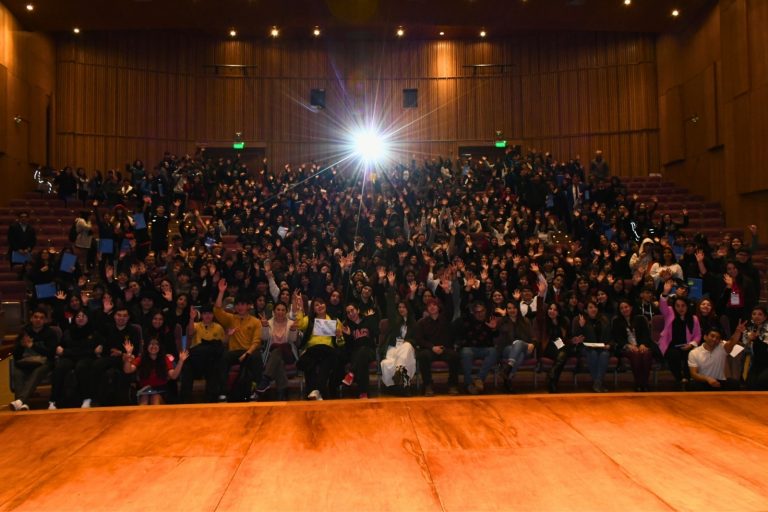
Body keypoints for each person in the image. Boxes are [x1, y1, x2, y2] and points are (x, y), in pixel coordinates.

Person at [213, 279, 263, 401]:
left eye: (243, 304)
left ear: (249, 306)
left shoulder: (255, 321)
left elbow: (256, 341)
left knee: (256, 357)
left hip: (248, 352)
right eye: (238, 304)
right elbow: (217, 311)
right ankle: (223, 392)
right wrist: (221, 292)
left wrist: (247, 353)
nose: (240, 307)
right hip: (234, 352)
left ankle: (255, 390)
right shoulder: (231, 319)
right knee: (222, 358)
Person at [295, 295, 344, 400]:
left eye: (321, 303)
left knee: (319, 359)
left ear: (326, 305)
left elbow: (341, 343)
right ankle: (320, 390)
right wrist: (300, 310)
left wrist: (339, 336)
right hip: (314, 349)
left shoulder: (335, 320)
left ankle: (313, 390)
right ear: (313, 309)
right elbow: (298, 325)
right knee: (321, 360)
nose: (320, 306)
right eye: (316, 305)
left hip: (328, 350)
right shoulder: (309, 320)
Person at [49, 310, 100, 409]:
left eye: (83, 316)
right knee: (59, 367)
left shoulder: (93, 332)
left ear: (88, 318)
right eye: (78, 316)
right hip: (69, 358)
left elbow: (91, 351)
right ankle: (53, 400)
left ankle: (87, 399)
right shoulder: (68, 332)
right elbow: (61, 347)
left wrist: (66, 352)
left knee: (81, 367)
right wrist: (60, 348)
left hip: (86, 358)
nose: (80, 318)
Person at [9, 308, 57, 411]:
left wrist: (32, 346)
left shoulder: (50, 333)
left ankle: (20, 400)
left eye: (41, 318)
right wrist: (22, 346)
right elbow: (16, 355)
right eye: (35, 317)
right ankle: (24, 404)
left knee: (37, 372)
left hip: (44, 363)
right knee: (17, 372)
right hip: (26, 362)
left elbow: (51, 353)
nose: (38, 320)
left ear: (45, 321)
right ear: (31, 319)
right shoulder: (24, 332)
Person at [658, 280, 701, 387]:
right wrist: (665, 293)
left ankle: (688, 377)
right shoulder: (669, 312)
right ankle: (680, 378)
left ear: (687, 306)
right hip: (670, 345)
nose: (680, 308)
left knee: (691, 354)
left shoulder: (694, 318)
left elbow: (697, 335)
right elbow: (662, 306)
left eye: (683, 306)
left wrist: (691, 344)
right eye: (678, 306)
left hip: (686, 345)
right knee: (674, 355)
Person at [414, 298, 460, 397]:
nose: (432, 307)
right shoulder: (421, 323)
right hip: (430, 350)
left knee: (455, 356)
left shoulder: (446, 319)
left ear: (439, 307)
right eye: (429, 305)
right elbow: (419, 340)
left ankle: (452, 385)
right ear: (426, 309)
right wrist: (432, 347)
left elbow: (450, 308)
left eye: (434, 305)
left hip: (444, 349)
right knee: (423, 355)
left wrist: (448, 294)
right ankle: (428, 385)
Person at [254, 302, 298, 401]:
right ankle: (282, 393)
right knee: (278, 358)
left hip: (288, 354)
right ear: (274, 311)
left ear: (286, 312)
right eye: (278, 309)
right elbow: (264, 338)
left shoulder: (291, 323)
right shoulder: (268, 323)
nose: (280, 312)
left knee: (278, 348)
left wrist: (293, 330)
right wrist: (264, 327)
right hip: (274, 356)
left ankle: (265, 379)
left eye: (283, 310)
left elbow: (293, 340)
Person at [181, 304, 225, 402]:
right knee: (187, 365)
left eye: (209, 313)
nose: (207, 316)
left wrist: (229, 336)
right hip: (196, 360)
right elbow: (190, 333)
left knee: (215, 361)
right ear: (202, 315)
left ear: (213, 315)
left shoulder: (218, 327)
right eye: (205, 314)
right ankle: (184, 400)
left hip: (210, 360)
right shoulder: (196, 325)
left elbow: (222, 344)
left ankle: (211, 400)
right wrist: (192, 318)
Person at [123, 338, 188, 405]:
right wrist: (128, 355)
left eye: (156, 344)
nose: (153, 346)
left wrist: (181, 361)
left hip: (161, 391)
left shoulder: (165, 359)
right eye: (151, 344)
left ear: (160, 347)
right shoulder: (141, 359)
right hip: (144, 391)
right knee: (144, 399)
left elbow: (173, 376)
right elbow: (127, 370)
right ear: (146, 346)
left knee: (155, 398)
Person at [380, 283, 417, 394]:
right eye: (399, 307)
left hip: (407, 349)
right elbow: (390, 305)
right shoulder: (394, 320)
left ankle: (399, 375)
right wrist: (391, 286)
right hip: (393, 348)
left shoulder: (413, 323)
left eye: (404, 307)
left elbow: (416, 339)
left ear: (408, 308)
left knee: (407, 347)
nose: (401, 309)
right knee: (387, 363)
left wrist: (413, 294)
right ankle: (402, 386)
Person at [612, 299, 655, 391]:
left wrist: (643, 344)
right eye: (621, 308)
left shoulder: (640, 319)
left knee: (646, 353)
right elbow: (618, 338)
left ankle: (645, 382)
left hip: (641, 345)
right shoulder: (616, 321)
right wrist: (628, 345)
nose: (624, 309)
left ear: (631, 307)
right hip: (625, 347)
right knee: (635, 354)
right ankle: (638, 383)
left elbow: (646, 334)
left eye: (626, 307)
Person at [456, 301, 499, 394]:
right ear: (473, 313)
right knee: (466, 352)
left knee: (493, 351)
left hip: (485, 348)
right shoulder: (467, 321)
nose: (480, 314)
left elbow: (496, 336)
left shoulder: (490, 321)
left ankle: (479, 379)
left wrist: (494, 328)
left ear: (485, 311)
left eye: (482, 311)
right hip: (470, 348)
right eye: (477, 312)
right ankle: (468, 383)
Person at [572, 301, 613, 392]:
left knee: (604, 355)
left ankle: (597, 382)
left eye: (595, 307)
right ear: (586, 310)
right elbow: (576, 338)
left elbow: (611, 336)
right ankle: (598, 383)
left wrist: (609, 345)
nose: (593, 309)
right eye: (590, 307)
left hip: (602, 347)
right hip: (586, 347)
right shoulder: (580, 319)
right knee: (593, 354)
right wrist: (581, 326)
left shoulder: (604, 319)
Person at [339, 302, 378, 399]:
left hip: (370, 351)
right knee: (362, 361)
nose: (351, 314)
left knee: (364, 351)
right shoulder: (347, 326)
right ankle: (363, 393)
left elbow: (376, 333)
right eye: (348, 312)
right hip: (355, 354)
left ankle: (351, 373)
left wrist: (371, 319)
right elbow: (348, 347)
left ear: (358, 310)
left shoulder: (367, 321)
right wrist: (347, 335)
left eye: (352, 310)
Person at [497, 300, 535, 392]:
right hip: (507, 349)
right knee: (519, 350)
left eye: (514, 308)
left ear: (518, 309)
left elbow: (533, 337)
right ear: (506, 310)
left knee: (519, 345)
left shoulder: (525, 321)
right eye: (509, 308)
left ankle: (508, 371)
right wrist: (504, 320)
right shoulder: (502, 321)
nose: (512, 310)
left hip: (526, 349)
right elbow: (500, 340)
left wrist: (533, 344)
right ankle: (509, 376)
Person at [687, 327, 741, 391]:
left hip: (719, 383)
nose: (714, 339)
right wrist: (707, 379)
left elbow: (732, 342)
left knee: (734, 384)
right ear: (705, 337)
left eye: (717, 338)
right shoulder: (694, 353)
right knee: (692, 385)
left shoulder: (722, 348)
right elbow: (694, 374)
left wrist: (738, 332)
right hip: (704, 382)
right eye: (712, 336)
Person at [536, 302, 571, 393]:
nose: (552, 311)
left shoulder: (563, 322)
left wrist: (573, 340)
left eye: (555, 310)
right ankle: (552, 380)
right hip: (547, 347)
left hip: (560, 347)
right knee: (563, 354)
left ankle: (552, 378)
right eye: (550, 309)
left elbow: (567, 340)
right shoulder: (543, 321)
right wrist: (541, 295)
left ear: (558, 312)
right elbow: (539, 311)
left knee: (562, 355)